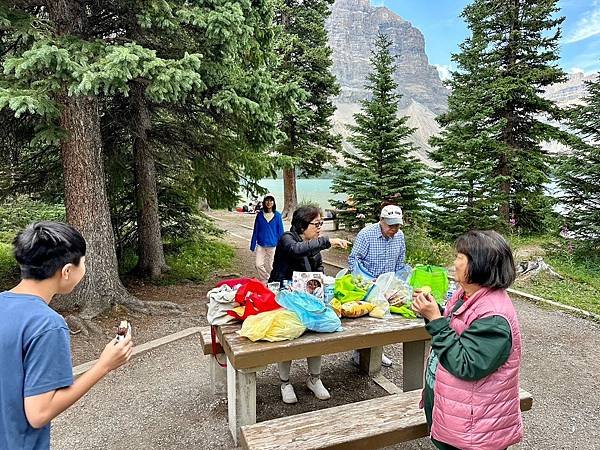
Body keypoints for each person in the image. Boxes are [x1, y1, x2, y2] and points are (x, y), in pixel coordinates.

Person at [0, 222, 133, 450]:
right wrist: (104, 365)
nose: (85, 267)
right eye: (83, 262)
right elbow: (38, 414)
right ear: (67, 272)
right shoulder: (47, 325)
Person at [411, 230, 522, 450]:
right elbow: (457, 331)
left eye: (460, 257)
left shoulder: (494, 318)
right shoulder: (467, 295)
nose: (454, 262)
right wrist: (434, 313)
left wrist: (435, 319)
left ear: (478, 265)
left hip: (475, 428)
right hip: (456, 412)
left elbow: (466, 364)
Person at [268, 205, 350, 404]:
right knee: (289, 336)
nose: (320, 227)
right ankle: (285, 382)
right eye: (317, 224)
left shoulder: (313, 244)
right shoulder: (287, 239)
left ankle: (314, 378)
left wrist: (319, 282)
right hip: (284, 298)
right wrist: (327, 241)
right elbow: (296, 251)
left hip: (308, 300)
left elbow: (318, 267)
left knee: (316, 334)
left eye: (322, 224)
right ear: (302, 225)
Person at [348, 204, 406, 367]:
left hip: (387, 285)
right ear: (381, 220)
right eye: (391, 225)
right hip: (367, 284)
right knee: (364, 322)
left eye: (397, 225)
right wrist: (366, 279)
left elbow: (400, 262)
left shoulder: (400, 236)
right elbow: (354, 260)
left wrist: (398, 282)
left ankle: (378, 352)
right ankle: (358, 352)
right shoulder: (366, 235)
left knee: (383, 321)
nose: (394, 229)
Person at [250, 193, 284, 283]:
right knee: (258, 264)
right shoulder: (260, 215)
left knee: (272, 265)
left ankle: (275, 280)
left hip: (273, 245)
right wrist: (253, 244)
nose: (269, 202)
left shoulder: (277, 215)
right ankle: (265, 278)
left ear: (273, 202)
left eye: (271, 200)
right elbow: (256, 230)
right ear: (264, 202)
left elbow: (280, 231)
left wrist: (282, 245)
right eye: (267, 200)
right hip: (261, 245)